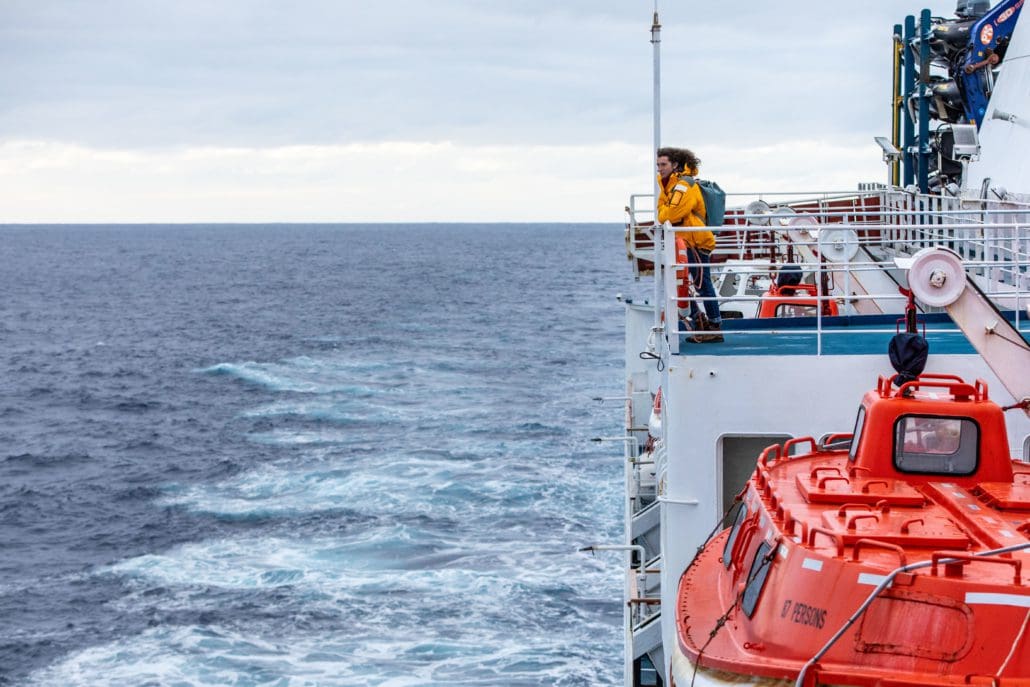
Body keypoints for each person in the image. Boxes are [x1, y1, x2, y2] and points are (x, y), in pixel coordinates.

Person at [656, 147, 723, 343]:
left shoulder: (684, 186)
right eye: (658, 165)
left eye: (663, 164)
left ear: (675, 165)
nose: (659, 169)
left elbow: (669, 215)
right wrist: (663, 212)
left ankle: (715, 326)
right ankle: (700, 321)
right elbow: (662, 209)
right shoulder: (670, 185)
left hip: (695, 241)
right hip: (684, 241)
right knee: (681, 284)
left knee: (703, 285)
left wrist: (663, 213)